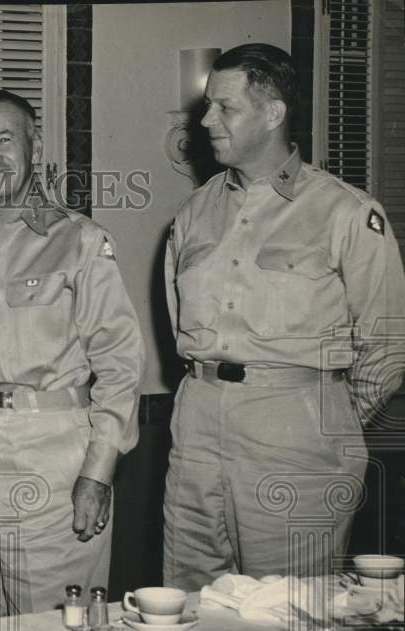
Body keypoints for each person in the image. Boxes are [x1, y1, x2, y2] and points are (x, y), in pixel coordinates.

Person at [163, 44, 405, 590]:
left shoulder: (346, 212)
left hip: (296, 435)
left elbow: (387, 347)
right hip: (197, 425)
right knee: (191, 601)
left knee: (287, 609)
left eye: (225, 107)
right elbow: (178, 323)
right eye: (208, 105)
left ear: (272, 113)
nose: (206, 121)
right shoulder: (194, 211)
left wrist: (322, 419)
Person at [0, 90, 144, 621]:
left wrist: (98, 473)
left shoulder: (81, 241)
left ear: (35, 147)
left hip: (54, 464)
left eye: (5, 140)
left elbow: (119, 363)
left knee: (56, 630)